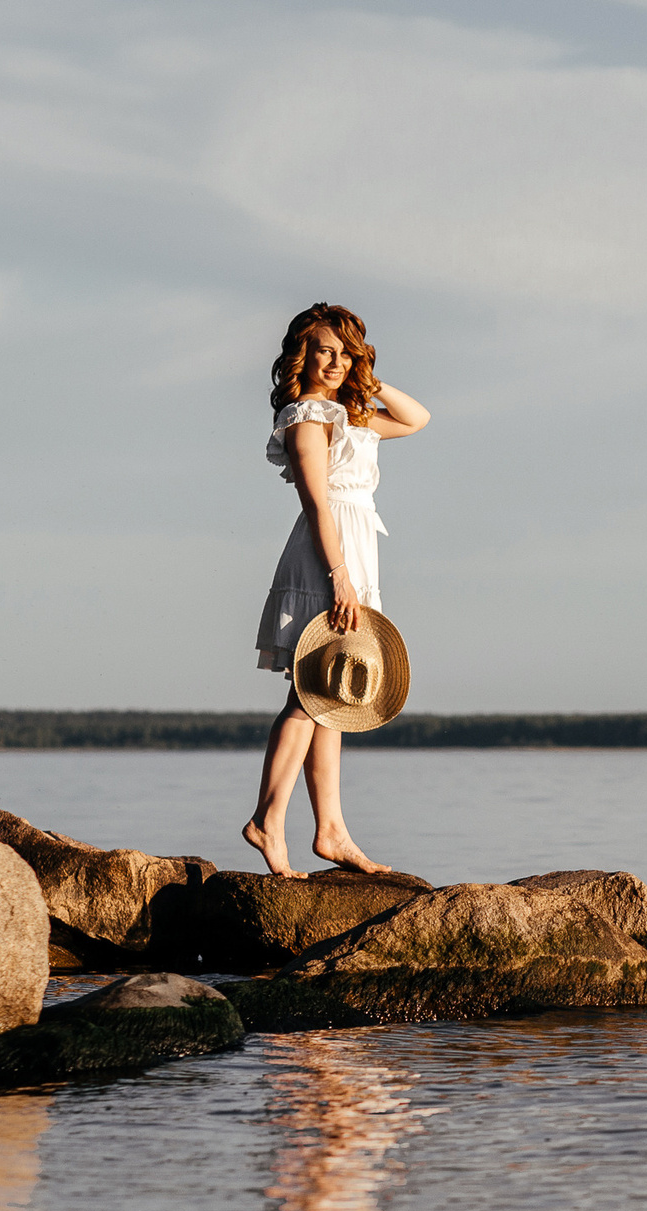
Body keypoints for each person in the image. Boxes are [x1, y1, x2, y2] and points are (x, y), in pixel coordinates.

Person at [243, 304, 429, 877]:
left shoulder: (349, 414)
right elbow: (317, 502)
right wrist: (339, 576)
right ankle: (268, 822)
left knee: (333, 700)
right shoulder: (305, 417)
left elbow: (416, 418)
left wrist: (366, 381)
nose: (334, 361)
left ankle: (331, 830)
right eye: (324, 350)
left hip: (354, 550)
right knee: (309, 693)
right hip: (326, 557)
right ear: (304, 353)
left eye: (345, 352)